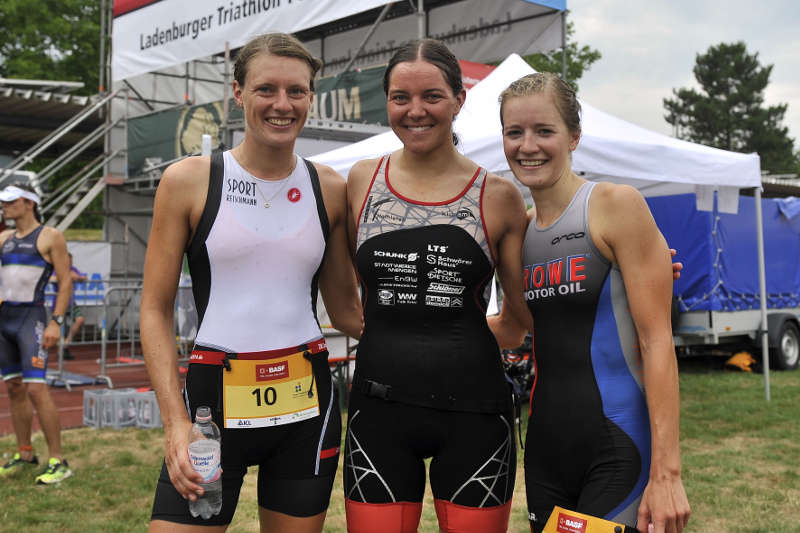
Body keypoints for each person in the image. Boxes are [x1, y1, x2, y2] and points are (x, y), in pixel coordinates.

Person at [140, 33, 362, 532]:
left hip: (307, 405)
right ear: (238, 93)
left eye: (297, 91)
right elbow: (153, 310)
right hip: (210, 410)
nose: (282, 105)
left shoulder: (329, 187)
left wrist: (442, 333)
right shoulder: (189, 180)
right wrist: (176, 422)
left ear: (310, 96)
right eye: (266, 89)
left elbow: (347, 311)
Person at [343, 39, 532, 533]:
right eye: (400, 97)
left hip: (475, 413)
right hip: (377, 412)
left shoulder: (499, 196)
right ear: (386, 101)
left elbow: (518, 321)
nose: (415, 110)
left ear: (459, 100)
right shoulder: (362, 181)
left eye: (431, 96)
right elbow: (343, 305)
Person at [493, 73, 691, 533]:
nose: (528, 146)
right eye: (514, 132)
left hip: (617, 443)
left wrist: (668, 473)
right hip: (545, 450)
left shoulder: (614, 205)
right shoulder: (521, 232)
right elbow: (513, 326)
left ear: (574, 136)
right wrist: (414, 325)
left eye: (545, 131)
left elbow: (657, 342)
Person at [0, 182, 73, 484]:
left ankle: (58, 460)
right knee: (14, 387)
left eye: (10, 201)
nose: (4, 206)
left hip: (33, 317)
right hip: (5, 319)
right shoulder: (3, 237)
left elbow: (66, 281)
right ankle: (25, 452)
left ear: (29, 203)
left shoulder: (50, 236)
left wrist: (56, 321)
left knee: (35, 388)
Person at [49, 252, 88, 360]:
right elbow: (51, 279)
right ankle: (61, 351)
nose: (70, 263)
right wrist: (65, 277)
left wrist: (79, 278)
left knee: (79, 320)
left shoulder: (73, 269)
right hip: (58, 304)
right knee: (60, 327)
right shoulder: (57, 269)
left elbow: (84, 278)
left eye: (71, 261)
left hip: (71, 303)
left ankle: (66, 343)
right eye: (68, 261)